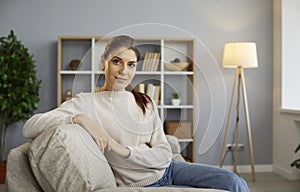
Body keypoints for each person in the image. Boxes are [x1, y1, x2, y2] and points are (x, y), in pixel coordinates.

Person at [23, 35, 250, 191]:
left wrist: (122, 150)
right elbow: (30, 126)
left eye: (131, 64)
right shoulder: (86, 102)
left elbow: (163, 153)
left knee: (233, 182)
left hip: (170, 169)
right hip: (138, 184)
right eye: (116, 62)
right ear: (104, 62)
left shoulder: (145, 101)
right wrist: (78, 118)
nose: (124, 71)